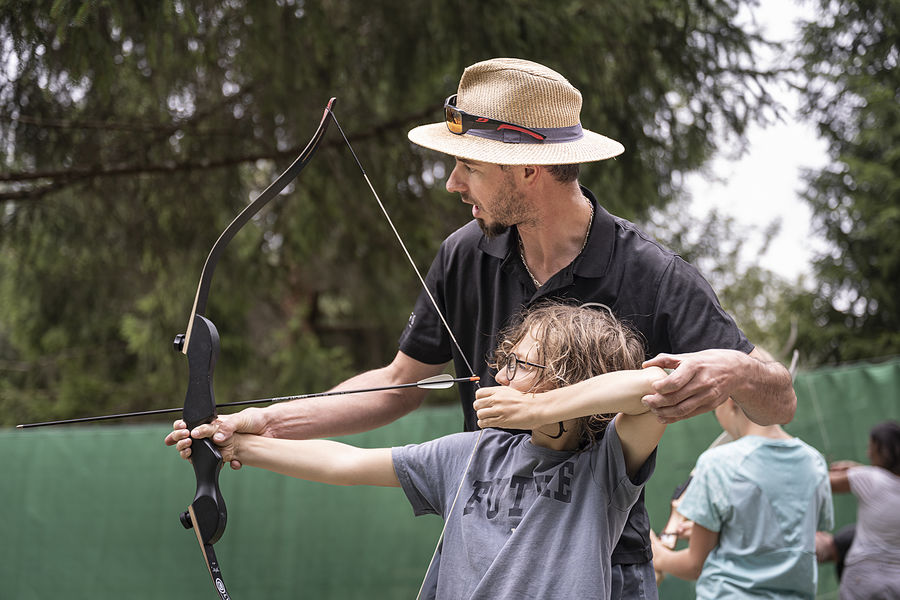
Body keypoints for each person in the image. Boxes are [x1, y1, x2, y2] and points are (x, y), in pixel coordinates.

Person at [167, 57, 797, 597]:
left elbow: (778, 397)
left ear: (528, 169)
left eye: (470, 165)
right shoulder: (466, 254)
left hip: (604, 568)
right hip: (484, 555)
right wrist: (254, 425)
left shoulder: (652, 274)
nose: (452, 182)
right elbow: (396, 385)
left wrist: (736, 367)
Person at [209, 303, 668, 598]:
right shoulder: (471, 453)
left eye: (522, 365)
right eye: (504, 360)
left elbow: (656, 387)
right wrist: (241, 442)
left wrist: (539, 408)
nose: (501, 377)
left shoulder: (604, 469)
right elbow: (343, 463)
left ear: (572, 380)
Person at [647, 386, 833, 599]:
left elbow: (694, 565)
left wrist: (660, 557)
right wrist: (727, 532)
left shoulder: (717, 463)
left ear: (732, 401)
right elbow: (795, 536)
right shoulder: (815, 462)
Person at [828, 420, 900, 600]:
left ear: (883, 451)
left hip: (862, 580)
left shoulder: (869, 479)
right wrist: (858, 470)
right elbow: (886, 484)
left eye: (871, 448)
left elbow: (823, 483)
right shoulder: (873, 479)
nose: (868, 453)